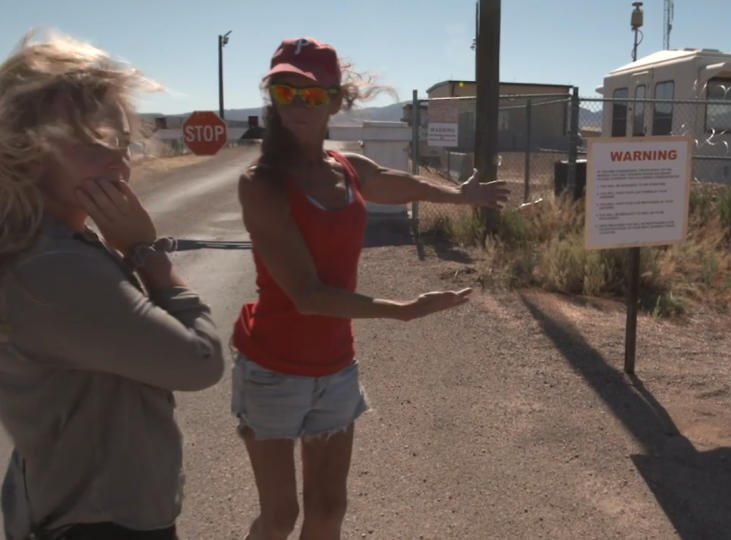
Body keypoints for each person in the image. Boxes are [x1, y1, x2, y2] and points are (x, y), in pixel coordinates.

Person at [232, 37, 509, 540]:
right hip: (272, 368)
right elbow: (308, 296)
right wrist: (402, 310)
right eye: (284, 92)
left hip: (335, 366)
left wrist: (460, 196)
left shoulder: (346, 168)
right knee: (279, 516)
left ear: (336, 102)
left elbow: (396, 183)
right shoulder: (262, 183)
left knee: (328, 509)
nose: (297, 106)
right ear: (270, 97)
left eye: (312, 96)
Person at [0, 32, 225, 539]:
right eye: (91, 141)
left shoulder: (42, 240)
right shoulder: (54, 265)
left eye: (120, 142)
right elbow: (200, 361)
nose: (118, 162)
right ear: (25, 149)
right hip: (101, 522)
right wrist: (147, 254)